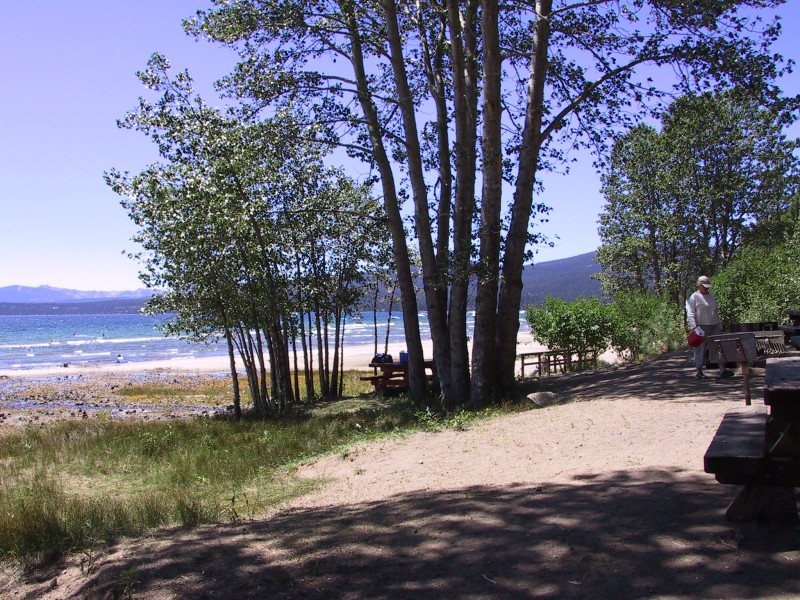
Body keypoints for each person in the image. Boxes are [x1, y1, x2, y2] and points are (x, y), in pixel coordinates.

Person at [686, 275, 733, 379]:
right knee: (700, 349)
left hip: (714, 325)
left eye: (707, 286)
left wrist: (720, 325)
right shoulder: (694, 297)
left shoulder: (711, 295)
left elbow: (715, 311)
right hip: (701, 327)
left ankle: (722, 370)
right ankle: (699, 371)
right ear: (699, 285)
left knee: (718, 347)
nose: (706, 288)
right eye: (704, 286)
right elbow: (690, 313)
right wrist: (694, 327)